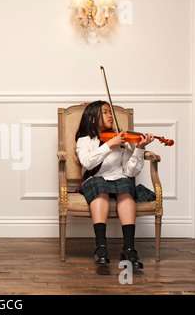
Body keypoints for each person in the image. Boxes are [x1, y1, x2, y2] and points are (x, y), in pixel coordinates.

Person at [75, 100, 154, 269]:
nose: (111, 115)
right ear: (94, 118)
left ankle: (129, 248)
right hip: (95, 179)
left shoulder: (122, 141)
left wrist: (139, 148)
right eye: (105, 112)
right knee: (100, 189)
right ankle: (101, 247)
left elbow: (130, 172)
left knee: (126, 189)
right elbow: (88, 163)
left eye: (111, 112)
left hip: (118, 178)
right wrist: (109, 144)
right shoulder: (85, 141)